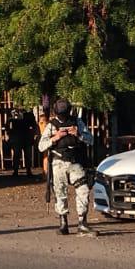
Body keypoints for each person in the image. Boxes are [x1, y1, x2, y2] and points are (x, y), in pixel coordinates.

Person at [39, 99, 94, 236]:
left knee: (83, 190)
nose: (62, 117)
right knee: (60, 193)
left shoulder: (77, 122)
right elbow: (41, 146)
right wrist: (55, 138)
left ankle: (82, 223)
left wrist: (78, 134)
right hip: (58, 163)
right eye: (60, 114)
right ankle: (63, 223)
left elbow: (91, 140)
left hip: (75, 163)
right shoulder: (51, 125)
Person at [5, 108, 35, 177]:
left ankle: (28, 170)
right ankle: (16, 171)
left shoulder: (28, 114)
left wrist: (32, 134)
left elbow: (33, 124)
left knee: (27, 154)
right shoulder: (13, 113)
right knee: (17, 154)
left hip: (25, 136)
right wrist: (8, 133)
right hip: (17, 136)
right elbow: (7, 123)